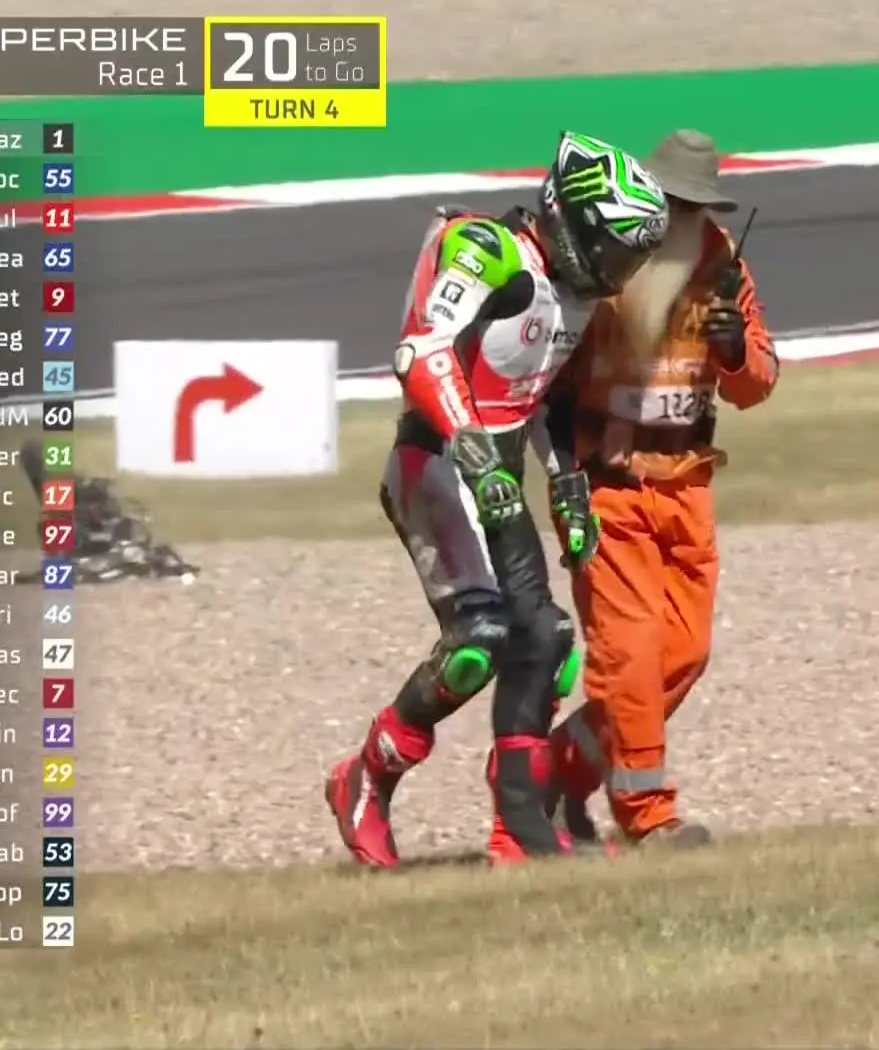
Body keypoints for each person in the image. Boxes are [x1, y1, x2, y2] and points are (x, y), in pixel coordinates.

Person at [325, 131, 670, 868]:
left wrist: (566, 483)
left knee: (545, 640)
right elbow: (421, 352)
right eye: (612, 251)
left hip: (499, 480)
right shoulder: (487, 250)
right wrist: (476, 454)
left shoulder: (576, 295)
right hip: (435, 464)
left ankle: (519, 833)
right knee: (479, 641)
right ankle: (366, 777)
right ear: (572, 222)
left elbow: (538, 396)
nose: (618, 272)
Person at [527, 129, 780, 853]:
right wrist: (562, 475)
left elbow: (758, 382)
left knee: (683, 653)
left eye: (695, 208)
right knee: (630, 656)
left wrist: (733, 348)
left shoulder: (724, 265)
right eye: (673, 204)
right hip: (608, 489)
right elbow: (545, 374)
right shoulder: (603, 264)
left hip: (687, 487)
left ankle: (552, 772)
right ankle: (648, 816)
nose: (681, 220)